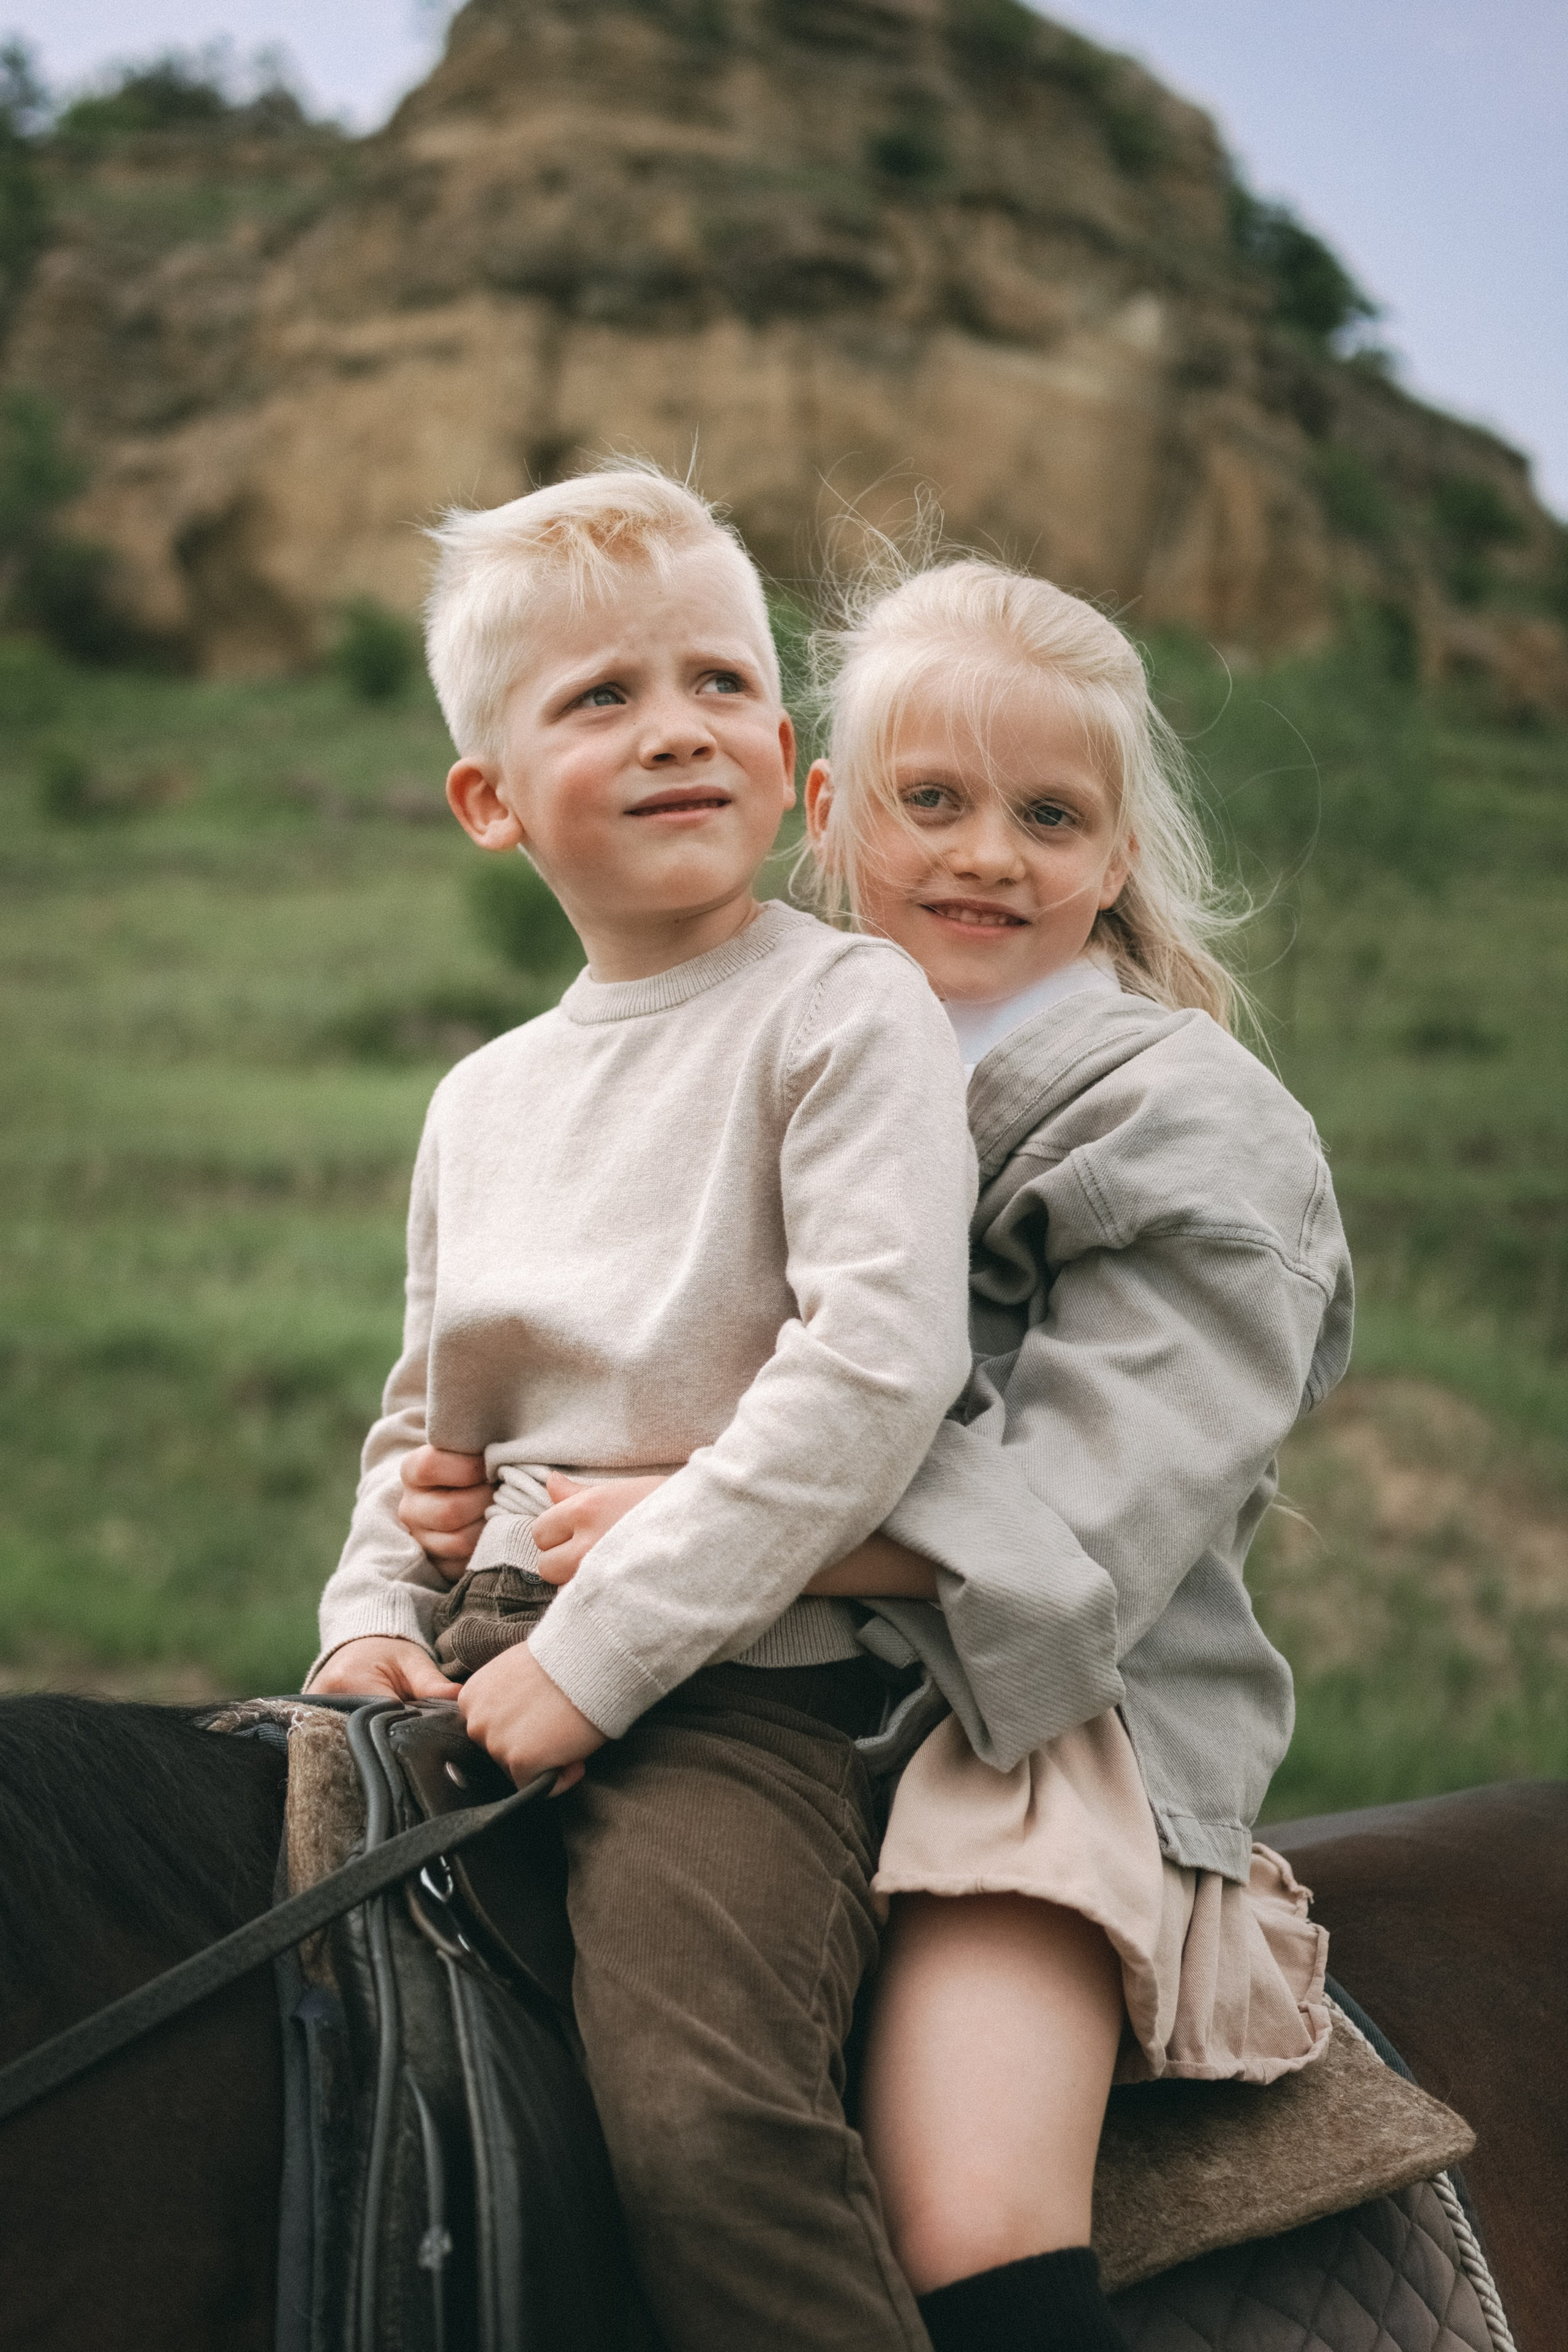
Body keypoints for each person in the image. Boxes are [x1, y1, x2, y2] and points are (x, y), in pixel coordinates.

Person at [399, 544, 1355, 2350]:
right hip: (731, 1646)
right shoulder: (775, 1040)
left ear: (1116, 856)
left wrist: (683, 1517)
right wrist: (478, 1494)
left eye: (1049, 816)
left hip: (1043, 1725)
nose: (987, 853)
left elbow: (1087, 1522)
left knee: (963, 2195)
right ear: (833, 812)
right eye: (934, 801)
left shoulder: (1196, 1132)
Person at [307, 466, 979, 2352]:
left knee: (702, 2125)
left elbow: (875, 1370)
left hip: (733, 1688)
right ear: (491, 801)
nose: (677, 726)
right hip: (473, 1655)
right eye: (603, 696)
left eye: (719, 681)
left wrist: (601, 1658)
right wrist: (365, 1617)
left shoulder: (846, 1010)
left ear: (793, 760)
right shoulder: (481, 1099)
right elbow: (424, 1430)